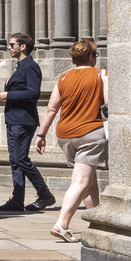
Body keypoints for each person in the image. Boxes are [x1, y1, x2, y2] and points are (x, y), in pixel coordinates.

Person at [37, 38, 108, 241]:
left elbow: (51, 109)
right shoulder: (101, 74)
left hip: (65, 135)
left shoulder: (63, 78)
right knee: (81, 181)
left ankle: (96, 223)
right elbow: (109, 103)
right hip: (91, 133)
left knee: (89, 181)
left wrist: (41, 134)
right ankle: (62, 224)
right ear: (92, 56)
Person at [0, 32, 55, 213]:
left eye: (12, 44)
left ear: (23, 46)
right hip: (13, 119)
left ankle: (45, 194)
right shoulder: (20, 67)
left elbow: (33, 93)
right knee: (15, 161)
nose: (9, 48)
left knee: (21, 159)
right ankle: (17, 200)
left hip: (23, 120)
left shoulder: (31, 66)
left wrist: (8, 94)